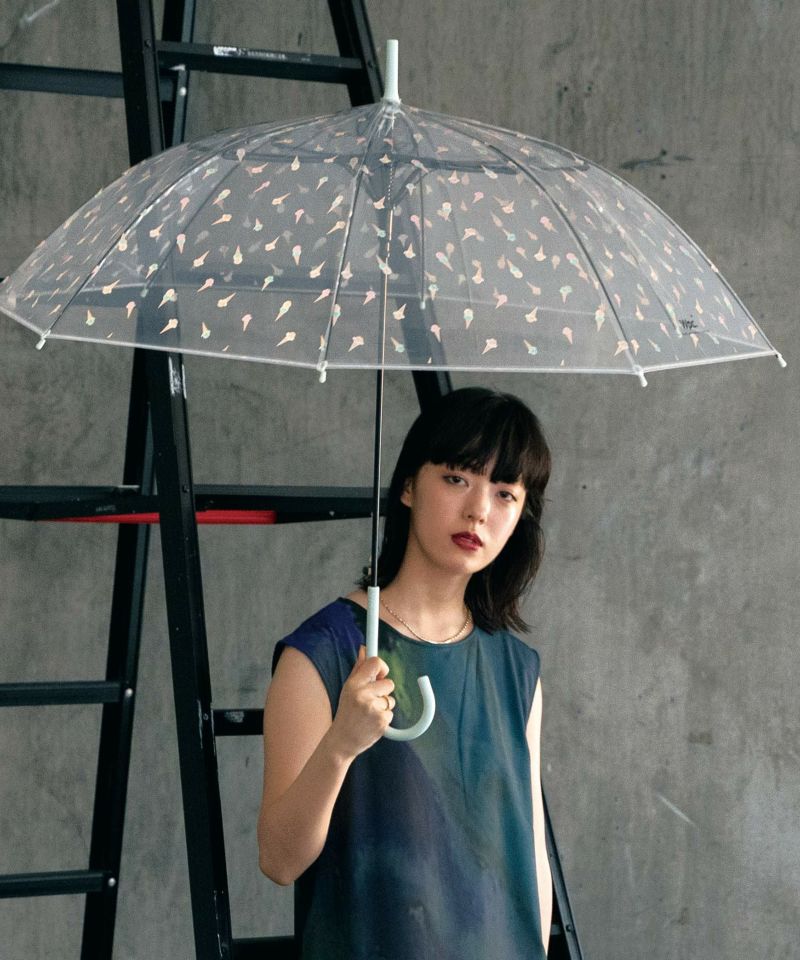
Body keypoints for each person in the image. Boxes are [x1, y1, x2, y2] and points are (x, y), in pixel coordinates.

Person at [257, 386, 553, 960]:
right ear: (409, 486)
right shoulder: (322, 653)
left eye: (505, 493)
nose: (479, 511)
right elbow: (278, 859)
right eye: (456, 478)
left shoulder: (516, 670)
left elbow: (530, 862)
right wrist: (341, 745)